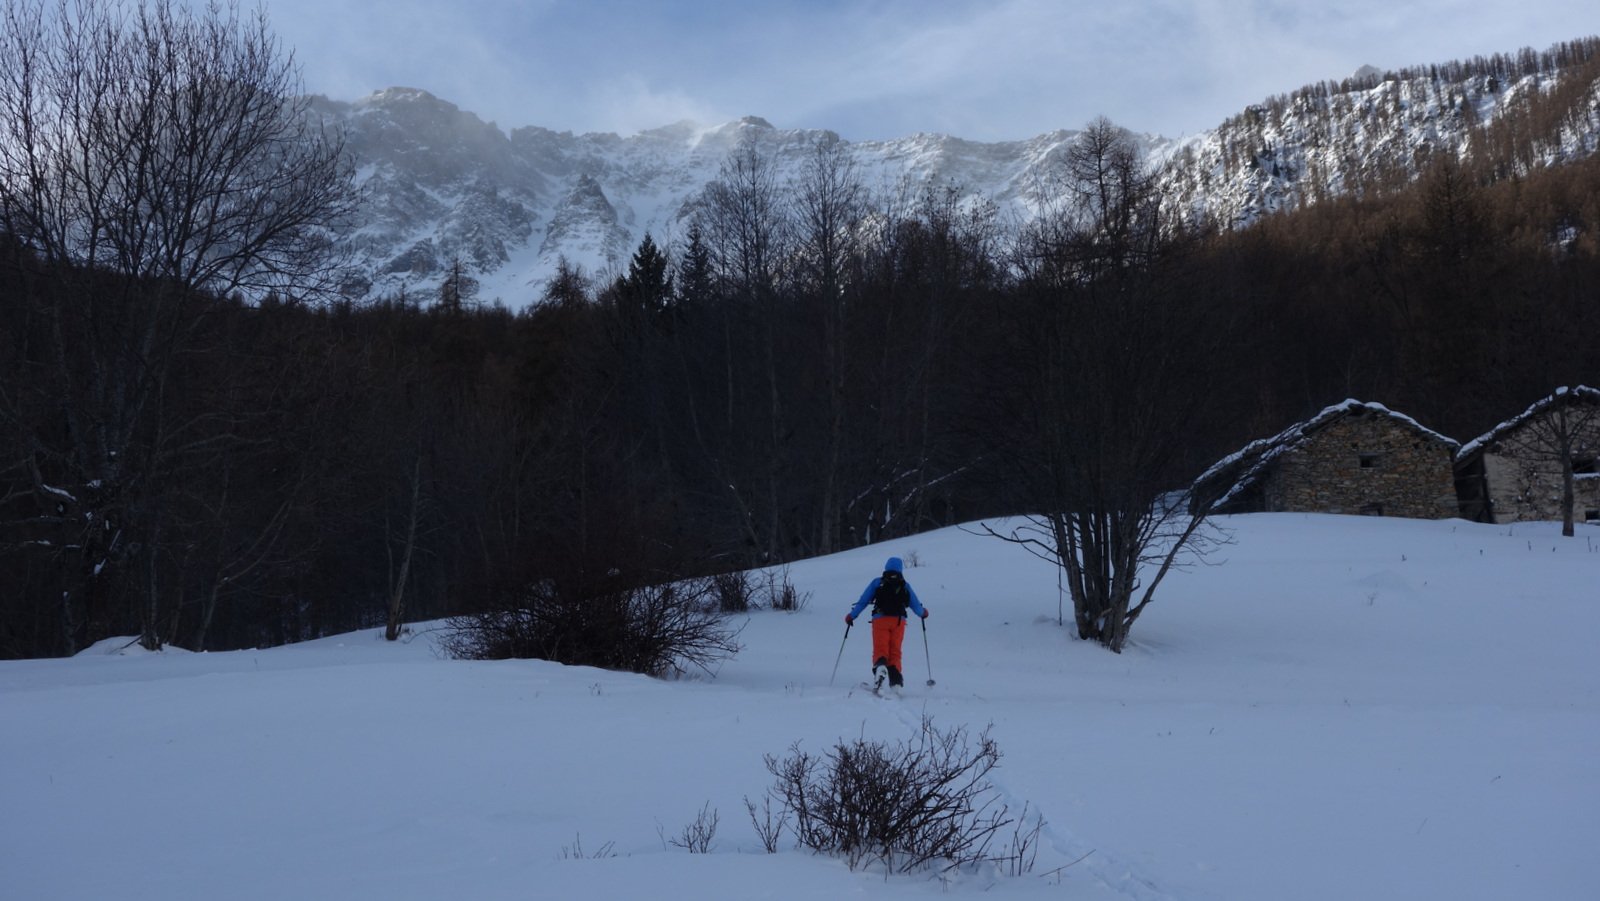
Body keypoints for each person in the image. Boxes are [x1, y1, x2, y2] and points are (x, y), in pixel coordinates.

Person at [845, 556, 927, 690]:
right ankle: (896, 683)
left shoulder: (878, 582)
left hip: (880, 619)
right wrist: (924, 613)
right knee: (895, 651)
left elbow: (863, 601)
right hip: (899, 621)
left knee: (880, 648)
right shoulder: (904, 585)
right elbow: (916, 606)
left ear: (886, 567)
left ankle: (880, 668)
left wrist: (852, 615)